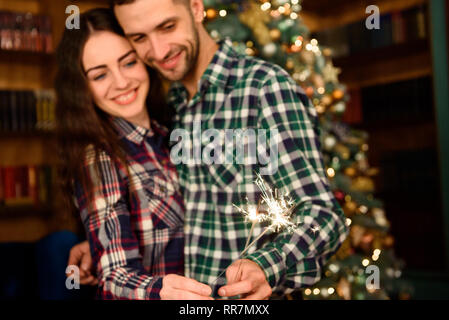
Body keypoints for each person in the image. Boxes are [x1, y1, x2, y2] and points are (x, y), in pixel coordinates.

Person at [69, 0, 349, 300]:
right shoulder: (170, 104)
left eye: (167, 27)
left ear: (196, 8)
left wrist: (265, 265)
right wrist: (105, 244)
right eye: (139, 38)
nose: (159, 51)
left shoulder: (264, 88)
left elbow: (321, 214)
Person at [56, 8, 212, 300]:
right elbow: (114, 275)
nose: (121, 82)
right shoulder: (99, 157)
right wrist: (160, 290)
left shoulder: (170, 133)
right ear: (82, 89)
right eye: (100, 74)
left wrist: (94, 244)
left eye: (128, 62)